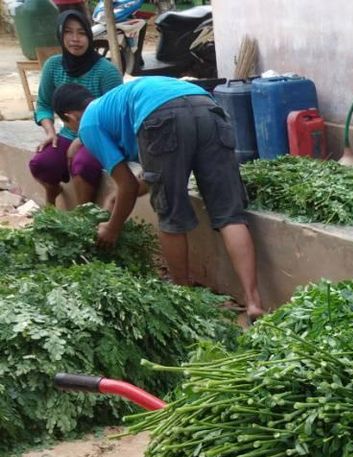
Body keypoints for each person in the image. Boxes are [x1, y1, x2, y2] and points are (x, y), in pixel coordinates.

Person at [51, 77, 265, 321]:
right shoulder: (115, 103)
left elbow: (128, 185)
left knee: (170, 215)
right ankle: (253, 301)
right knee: (230, 215)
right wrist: (117, 196)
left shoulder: (88, 125)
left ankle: (183, 300)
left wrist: (112, 227)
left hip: (163, 116)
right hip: (207, 106)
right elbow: (152, 177)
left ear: (70, 117)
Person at [29, 9, 123, 207]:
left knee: (83, 164)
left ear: (90, 36)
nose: (75, 39)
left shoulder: (106, 71)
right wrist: (50, 131)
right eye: (68, 32)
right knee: (41, 163)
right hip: (68, 134)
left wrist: (82, 141)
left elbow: (117, 115)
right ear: (60, 36)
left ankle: (83, 215)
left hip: (101, 135)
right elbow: (44, 104)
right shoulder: (53, 66)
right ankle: (52, 194)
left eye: (81, 32)